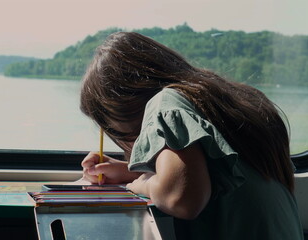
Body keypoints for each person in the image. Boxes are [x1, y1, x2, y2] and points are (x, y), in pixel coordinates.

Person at [79, 32, 303, 240]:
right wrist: (129, 171)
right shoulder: (239, 101)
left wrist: (141, 184)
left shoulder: (165, 102)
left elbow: (181, 198)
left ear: (122, 109)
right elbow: (208, 174)